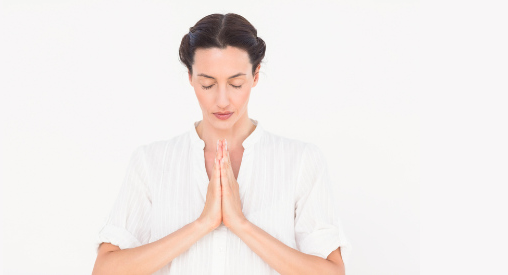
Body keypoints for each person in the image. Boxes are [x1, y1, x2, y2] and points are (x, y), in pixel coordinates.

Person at [92, 13, 351, 275]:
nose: (223, 100)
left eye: (236, 83)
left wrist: (240, 224)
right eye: (208, 84)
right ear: (191, 77)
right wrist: (203, 224)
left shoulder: (300, 160)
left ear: (256, 75)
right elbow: (105, 270)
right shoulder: (151, 162)